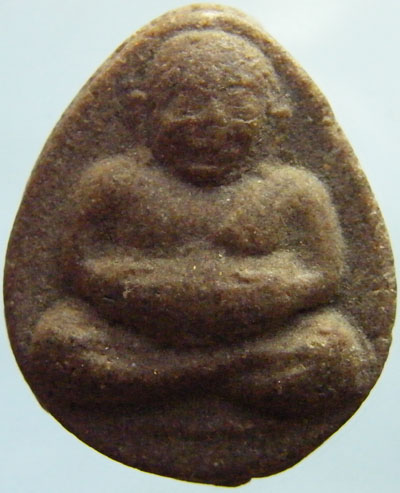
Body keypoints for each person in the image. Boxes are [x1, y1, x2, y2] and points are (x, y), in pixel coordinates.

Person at [31, 30, 374, 415]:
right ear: (142, 113)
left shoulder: (295, 188)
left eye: (240, 107)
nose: (213, 122)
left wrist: (276, 287)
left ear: (275, 120)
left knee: (336, 351)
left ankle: (171, 378)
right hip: (138, 335)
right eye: (187, 105)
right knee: (59, 342)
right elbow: (79, 262)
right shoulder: (114, 181)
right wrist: (134, 282)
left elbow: (324, 272)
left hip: (261, 339)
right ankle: (212, 376)